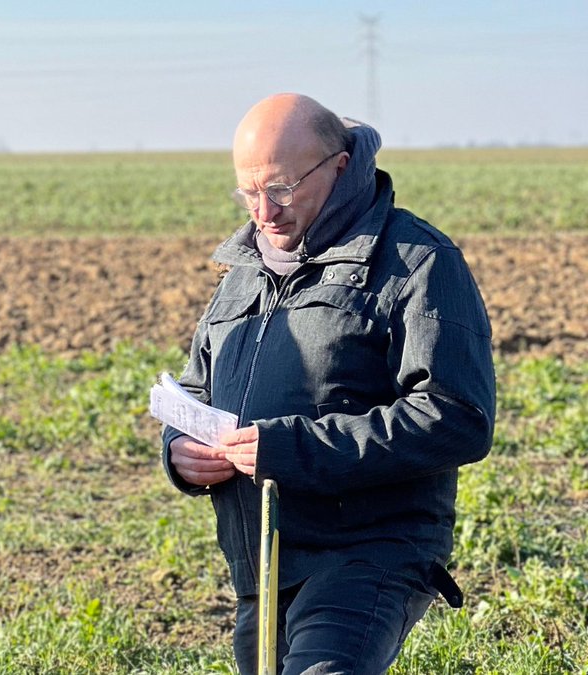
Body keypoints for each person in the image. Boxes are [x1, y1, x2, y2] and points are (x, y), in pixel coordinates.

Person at [161, 93, 495, 674]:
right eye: (249, 192)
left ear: (339, 167)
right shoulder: (244, 274)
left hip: (367, 555)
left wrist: (292, 450)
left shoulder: (418, 262)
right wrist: (179, 452)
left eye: (283, 188)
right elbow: (195, 388)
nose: (265, 210)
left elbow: (457, 417)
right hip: (261, 562)